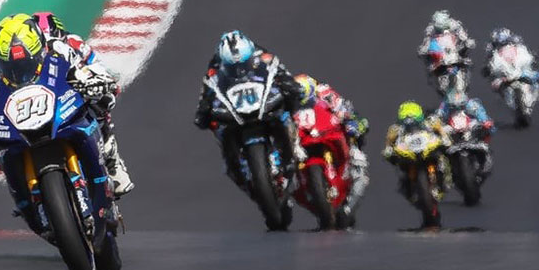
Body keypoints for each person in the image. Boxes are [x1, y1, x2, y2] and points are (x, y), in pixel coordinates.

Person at [0, 14, 120, 238]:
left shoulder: (59, 49)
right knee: (3, 155)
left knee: (97, 107)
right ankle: (30, 206)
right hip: (20, 127)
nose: (19, 71)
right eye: (11, 66)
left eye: (25, 63)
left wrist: (93, 81)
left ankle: (111, 166)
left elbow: (83, 71)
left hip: (59, 111)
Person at [29, 11, 133, 196]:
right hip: (43, 104)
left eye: (52, 39)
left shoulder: (75, 43)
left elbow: (98, 68)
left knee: (102, 101)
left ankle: (112, 160)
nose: (50, 46)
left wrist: (99, 82)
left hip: (74, 96)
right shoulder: (29, 57)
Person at [193, 30, 304, 192]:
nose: (239, 70)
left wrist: (291, 86)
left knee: (286, 109)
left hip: (261, 100)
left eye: (243, 64)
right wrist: (203, 111)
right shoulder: (215, 65)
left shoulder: (263, 55)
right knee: (220, 129)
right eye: (233, 67)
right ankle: (237, 168)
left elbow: (280, 72)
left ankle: (293, 147)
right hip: (235, 110)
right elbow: (207, 89)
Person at [291, 74, 370, 219]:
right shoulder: (289, 102)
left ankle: (348, 207)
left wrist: (352, 121)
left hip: (329, 133)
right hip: (303, 140)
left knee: (358, 161)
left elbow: (345, 108)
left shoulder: (325, 93)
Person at [382, 100, 452, 202]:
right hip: (409, 154)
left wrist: (444, 139)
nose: (410, 117)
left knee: (442, 159)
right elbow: (389, 141)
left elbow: (440, 129)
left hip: (427, 148)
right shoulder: (397, 128)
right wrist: (388, 150)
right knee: (402, 171)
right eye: (406, 115)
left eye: (412, 114)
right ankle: (409, 188)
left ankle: (445, 180)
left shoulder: (428, 122)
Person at [433, 89, 496, 179]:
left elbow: (481, 114)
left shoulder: (472, 104)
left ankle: (485, 155)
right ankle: (445, 168)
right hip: (453, 131)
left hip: (470, 128)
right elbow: (438, 116)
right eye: (453, 107)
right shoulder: (444, 106)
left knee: (485, 131)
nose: (456, 109)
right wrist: (435, 125)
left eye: (460, 106)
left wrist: (485, 121)